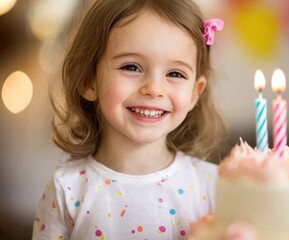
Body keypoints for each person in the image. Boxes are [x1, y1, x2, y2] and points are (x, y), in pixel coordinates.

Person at [32, 0, 225, 239]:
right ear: (88, 81)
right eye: (131, 67)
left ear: (195, 92)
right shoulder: (67, 189)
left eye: (175, 73)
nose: (154, 89)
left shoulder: (215, 185)